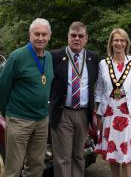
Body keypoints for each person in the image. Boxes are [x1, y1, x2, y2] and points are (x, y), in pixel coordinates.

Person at [0, 18, 54, 177]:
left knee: (36, 165)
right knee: (14, 167)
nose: (40, 38)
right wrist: (7, 113)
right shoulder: (17, 57)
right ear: (30, 35)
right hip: (19, 120)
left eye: (44, 34)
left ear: (49, 36)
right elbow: (1, 88)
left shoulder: (48, 57)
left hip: (41, 120)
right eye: (37, 34)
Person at [94, 28, 131, 177]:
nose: (119, 43)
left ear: (126, 43)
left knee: (127, 154)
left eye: (122, 40)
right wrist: (98, 114)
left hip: (129, 113)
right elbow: (99, 90)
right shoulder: (103, 64)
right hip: (109, 112)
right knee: (112, 151)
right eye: (116, 40)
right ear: (111, 43)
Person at [49, 21, 98, 177]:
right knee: (62, 157)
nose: (76, 39)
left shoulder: (92, 58)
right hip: (63, 112)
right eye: (73, 35)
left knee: (78, 155)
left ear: (86, 38)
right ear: (68, 37)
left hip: (83, 114)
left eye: (80, 36)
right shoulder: (55, 56)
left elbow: (94, 83)